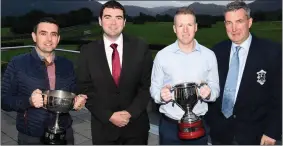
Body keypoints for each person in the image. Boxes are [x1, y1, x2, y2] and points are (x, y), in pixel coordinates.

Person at [205, 1, 282, 145]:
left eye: (239, 21)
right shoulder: (216, 51)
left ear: (249, 22)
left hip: (255, 136)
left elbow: (279, 96)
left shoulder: (272, 52)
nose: (234, 28)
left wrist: (272, 132)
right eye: (229, 23)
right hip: (220, 134)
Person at [76, 0, 153, 145]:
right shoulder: (87, 51)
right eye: (108, 17)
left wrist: (130, 113)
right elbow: (84, 88)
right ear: (100, 21)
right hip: (103, 128)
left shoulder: (140, 47)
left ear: (124, 22)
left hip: (136, 128)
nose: (113, 23)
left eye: (118, 18)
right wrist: (109, 116)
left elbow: (147, 85)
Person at [1, 17, 87, 145]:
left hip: (64, 134)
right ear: (34, 36)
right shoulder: (17, 64)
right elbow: (4, 101)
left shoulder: (67, 64)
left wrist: (78, 101)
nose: (49, 39)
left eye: (53, 34)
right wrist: (28, 101)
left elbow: (72, 93)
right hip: (31, 137)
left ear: (58, 39)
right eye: (43, 33)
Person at [150, 7, 220, 145]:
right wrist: (160, 95)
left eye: (189, 25)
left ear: (196, 27)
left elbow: (216, 88)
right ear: (174, 29)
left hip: (199, 123)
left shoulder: (209, 56)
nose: (185, 30)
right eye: (180, 25)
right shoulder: (162, 56)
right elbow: (154, 89)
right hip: (170, 126)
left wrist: (209, 93)